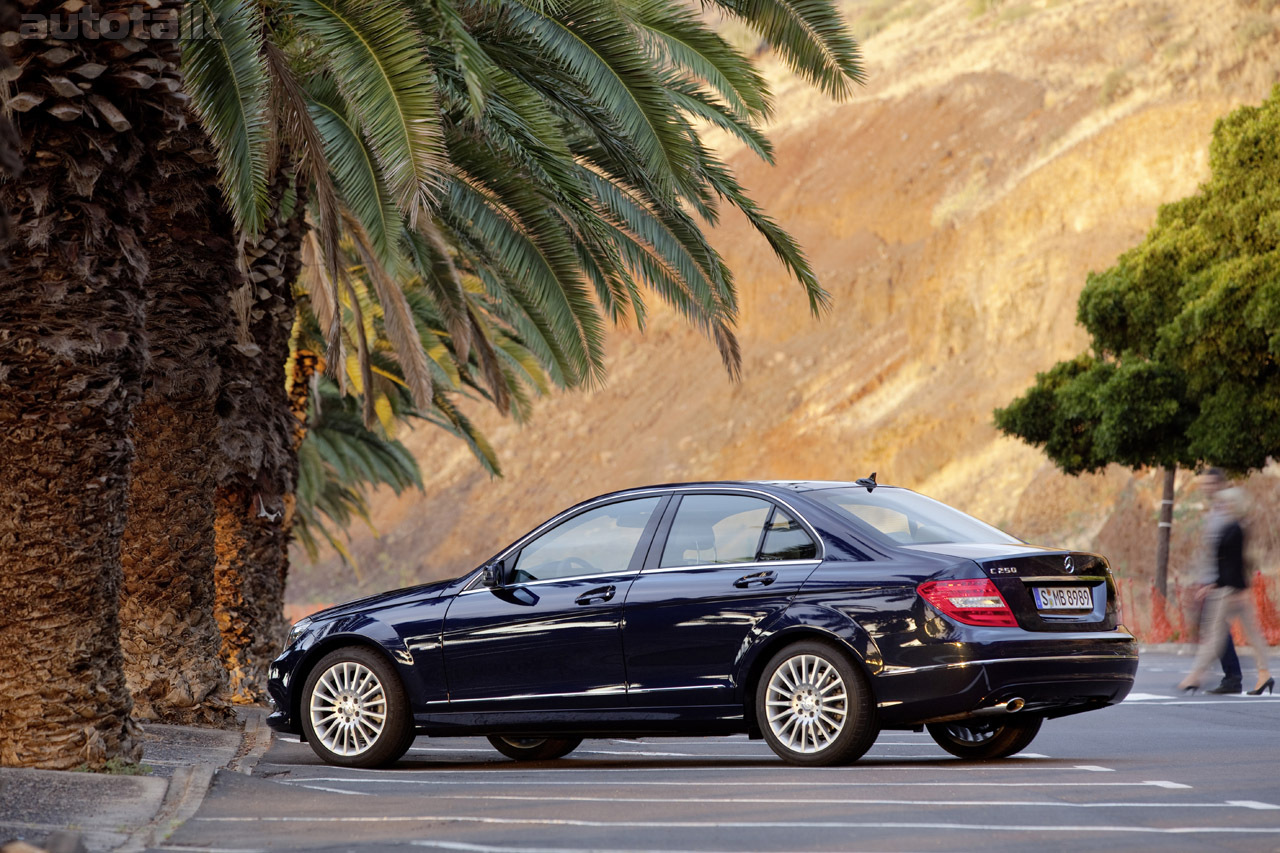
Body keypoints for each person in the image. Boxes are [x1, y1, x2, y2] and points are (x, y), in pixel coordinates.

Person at [1178, 486, 1274, 695]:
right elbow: (1230, 563)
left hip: (1230, 591)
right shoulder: (1232, 527)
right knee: (1249, 634)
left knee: (1214, 633)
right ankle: (1264, 674)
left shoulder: (1235, 529)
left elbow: (1234, 563)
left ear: (1235, 504)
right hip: (1232, 588)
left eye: (1227, 503)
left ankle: (1195, 675)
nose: (1223, 506)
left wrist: (1223, 586)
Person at [1193, 468, 1243, 694]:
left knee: (1216, 629)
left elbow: (1230, 551)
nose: (1208, 487)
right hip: (1213, 579)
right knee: (1216, 628)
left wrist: (1218, 581)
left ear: (1221, 485)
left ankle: (1232, 676)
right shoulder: (1213, 512)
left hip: (1223, 582)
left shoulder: (1227, 513)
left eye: (1212, 483)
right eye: (1206, 484)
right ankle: (1231, 675)